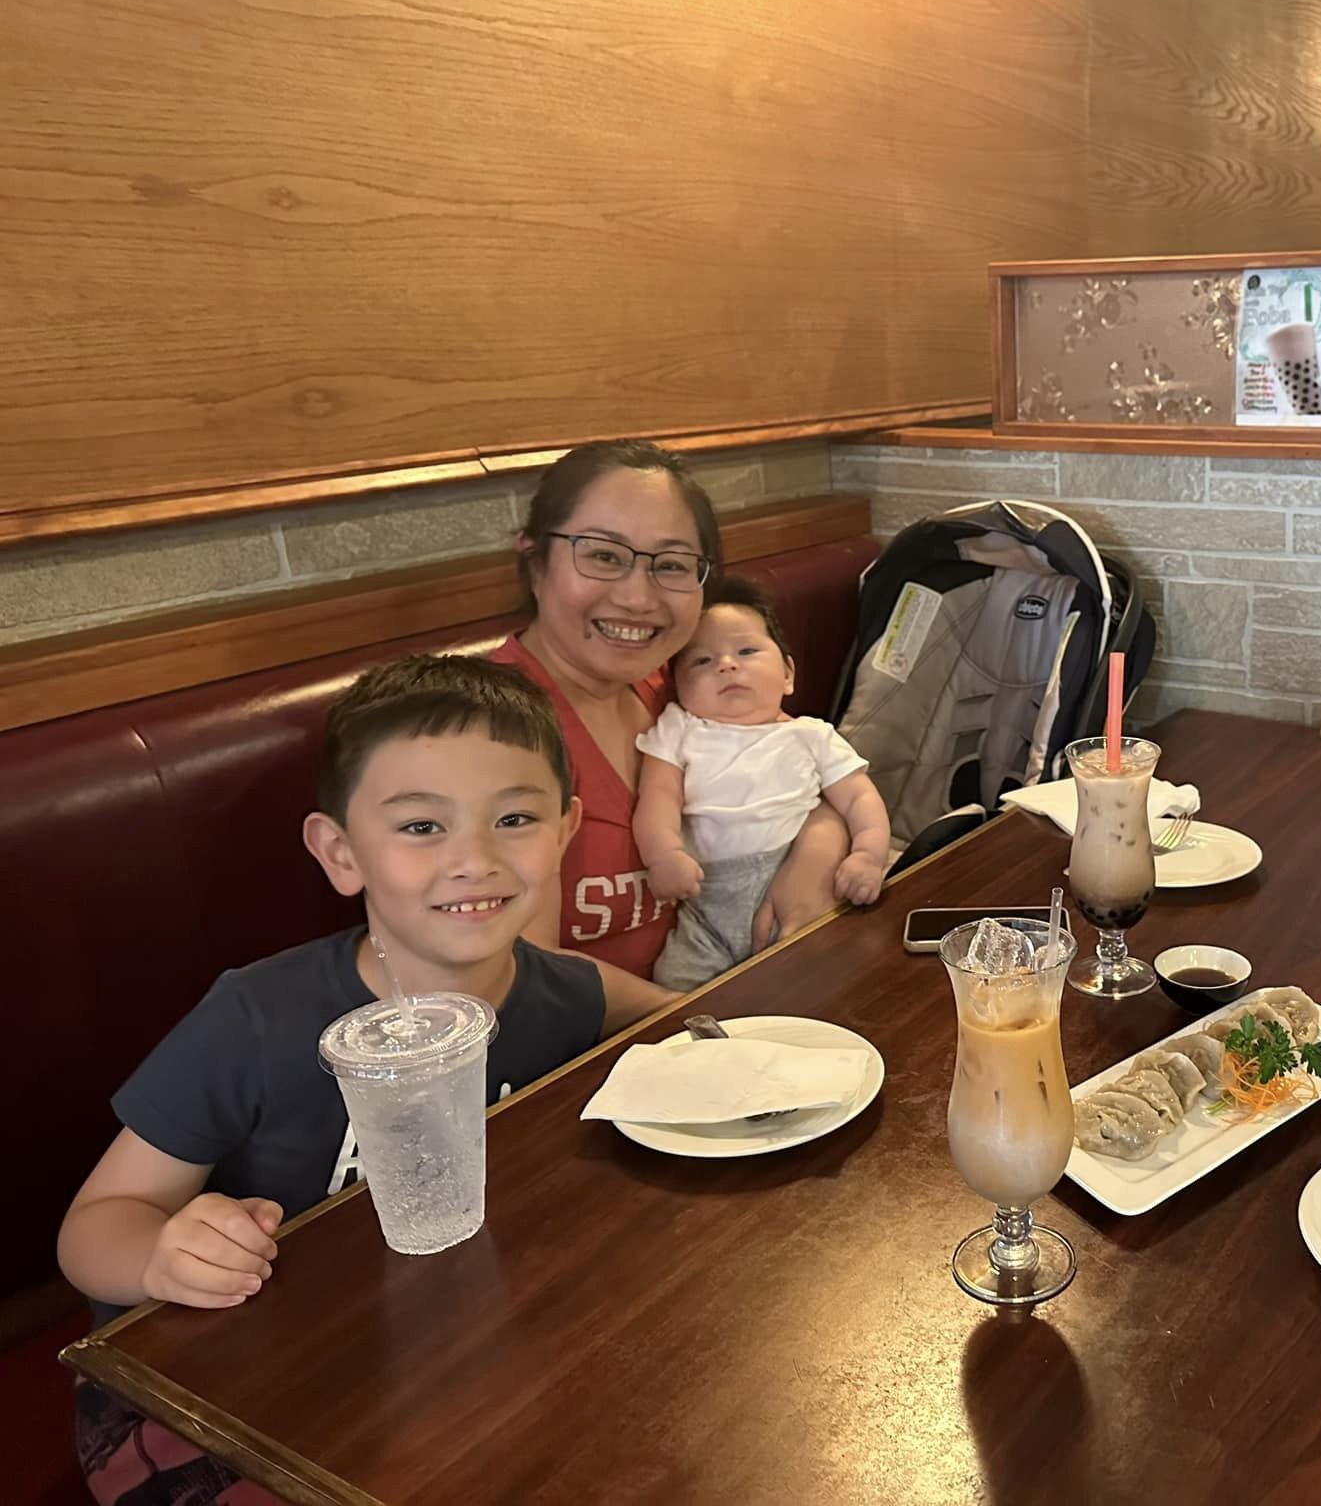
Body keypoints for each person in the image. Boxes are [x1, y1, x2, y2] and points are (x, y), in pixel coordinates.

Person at [56, 655, 682, 1505]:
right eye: (422, 826)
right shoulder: (257, 1018)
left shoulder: (568, 992)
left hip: (441, 1356)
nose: (474, 859)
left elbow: (697, 1021)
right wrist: (163, 1259)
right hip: (205, 1391)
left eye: (515, 818)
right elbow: (93, 1228)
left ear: (566, 830)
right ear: (341, 852)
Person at [496, 439, 849, 977]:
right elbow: (523, 975)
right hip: (632, 1023)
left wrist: (814, 859)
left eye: (671, 564)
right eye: (603, 556)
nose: (638, 598)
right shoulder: (487, 730)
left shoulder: (689, 680)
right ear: (534, 561)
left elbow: (810, 770)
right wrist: (708, 1011)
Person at [633, 576, 890, 988]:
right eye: (702, 661)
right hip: (706, 902)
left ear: (788, 673)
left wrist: (868, 855)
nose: (726, 665)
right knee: (677, 982)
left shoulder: (810, 735)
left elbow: (859, 797)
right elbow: (658, 795)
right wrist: (663, 854)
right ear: (677, 687)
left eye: (747, 651)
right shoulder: (679, 728)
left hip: (791, 872)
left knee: (831, 978)